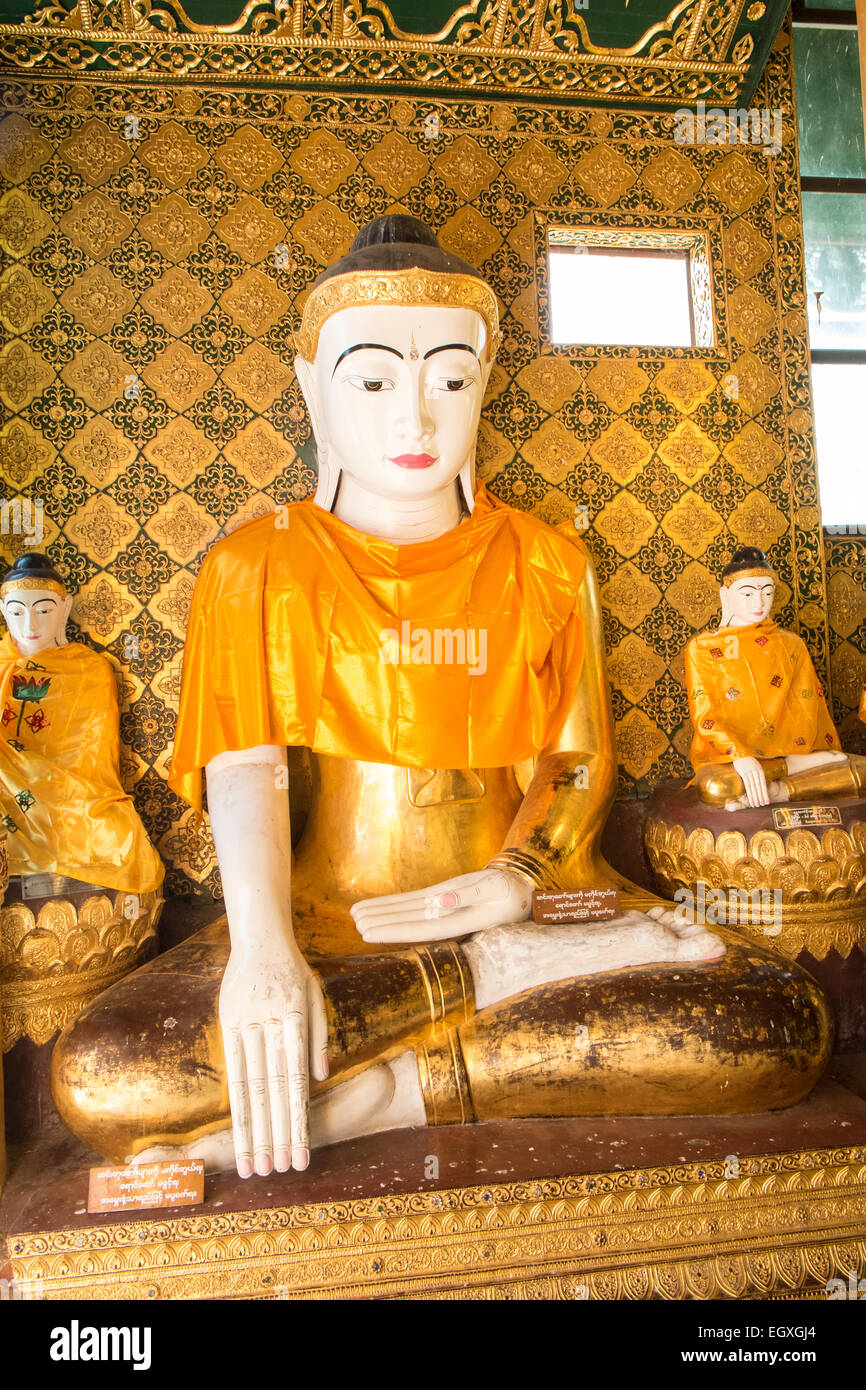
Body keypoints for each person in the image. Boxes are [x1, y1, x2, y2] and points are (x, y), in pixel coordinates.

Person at [52, 220, 830, 1176]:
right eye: (372, 382)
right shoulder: (255, 567)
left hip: (532, 907)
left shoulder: (546, 562)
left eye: (450, 381)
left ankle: (391, 1090)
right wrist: (261, 953)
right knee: (108, 1075)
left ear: (486, 384)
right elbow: (244, 765)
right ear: (311, 391)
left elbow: (577, 761)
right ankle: (477, 1007)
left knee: (769, 1024)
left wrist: (516, 882)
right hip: (332, 924)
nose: (414, 421)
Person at [0, 552, 163, 895]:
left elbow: (92, 761)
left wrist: (40, 781)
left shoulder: (89, 669)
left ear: (65, 606)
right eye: (17, 611)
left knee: (119, 836)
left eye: (43, 610)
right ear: (3, 612)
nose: (30, 625)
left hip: (68, 798)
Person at [685, 546, 864, 810]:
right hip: (728, 761)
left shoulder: (792, 644)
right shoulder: (702, 648)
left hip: (794, 752)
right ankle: (786, 771)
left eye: (767, 593)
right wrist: (741, 757)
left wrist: (802, 755)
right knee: (716, 787)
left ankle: (780, 791)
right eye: (747, 593)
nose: (759, 603)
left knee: (860, 767)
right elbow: (705, 717)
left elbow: (808, 708)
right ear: (726, 595)